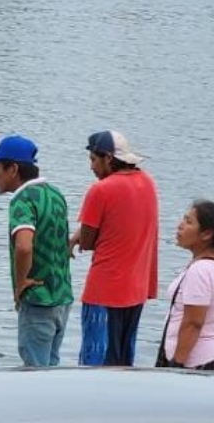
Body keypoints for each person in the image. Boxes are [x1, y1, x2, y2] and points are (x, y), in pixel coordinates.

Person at [0, 135, 73, 367]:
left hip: (39, 302)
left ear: (13, 169)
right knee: (52, 371)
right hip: (62, 297)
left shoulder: (22, 200)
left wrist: (21, 283)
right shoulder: (55, 194)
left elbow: (23, 246)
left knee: (35, 377)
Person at [71, 130, 158, 366]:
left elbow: (88, 242)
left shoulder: (100, 190)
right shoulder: (147, 183)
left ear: (108, 158)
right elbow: (119, 221)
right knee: (123, 362)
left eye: (93, 160)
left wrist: (77, 238)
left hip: (104, 291)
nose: (91, 167)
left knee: (95, 363)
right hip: (136, 290)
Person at [159, 200, 214, 371]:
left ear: (206, 234)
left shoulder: (201, 271)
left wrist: (177, 365)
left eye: (188, 222)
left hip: (197, 362)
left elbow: (193, 323)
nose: (180, 226)